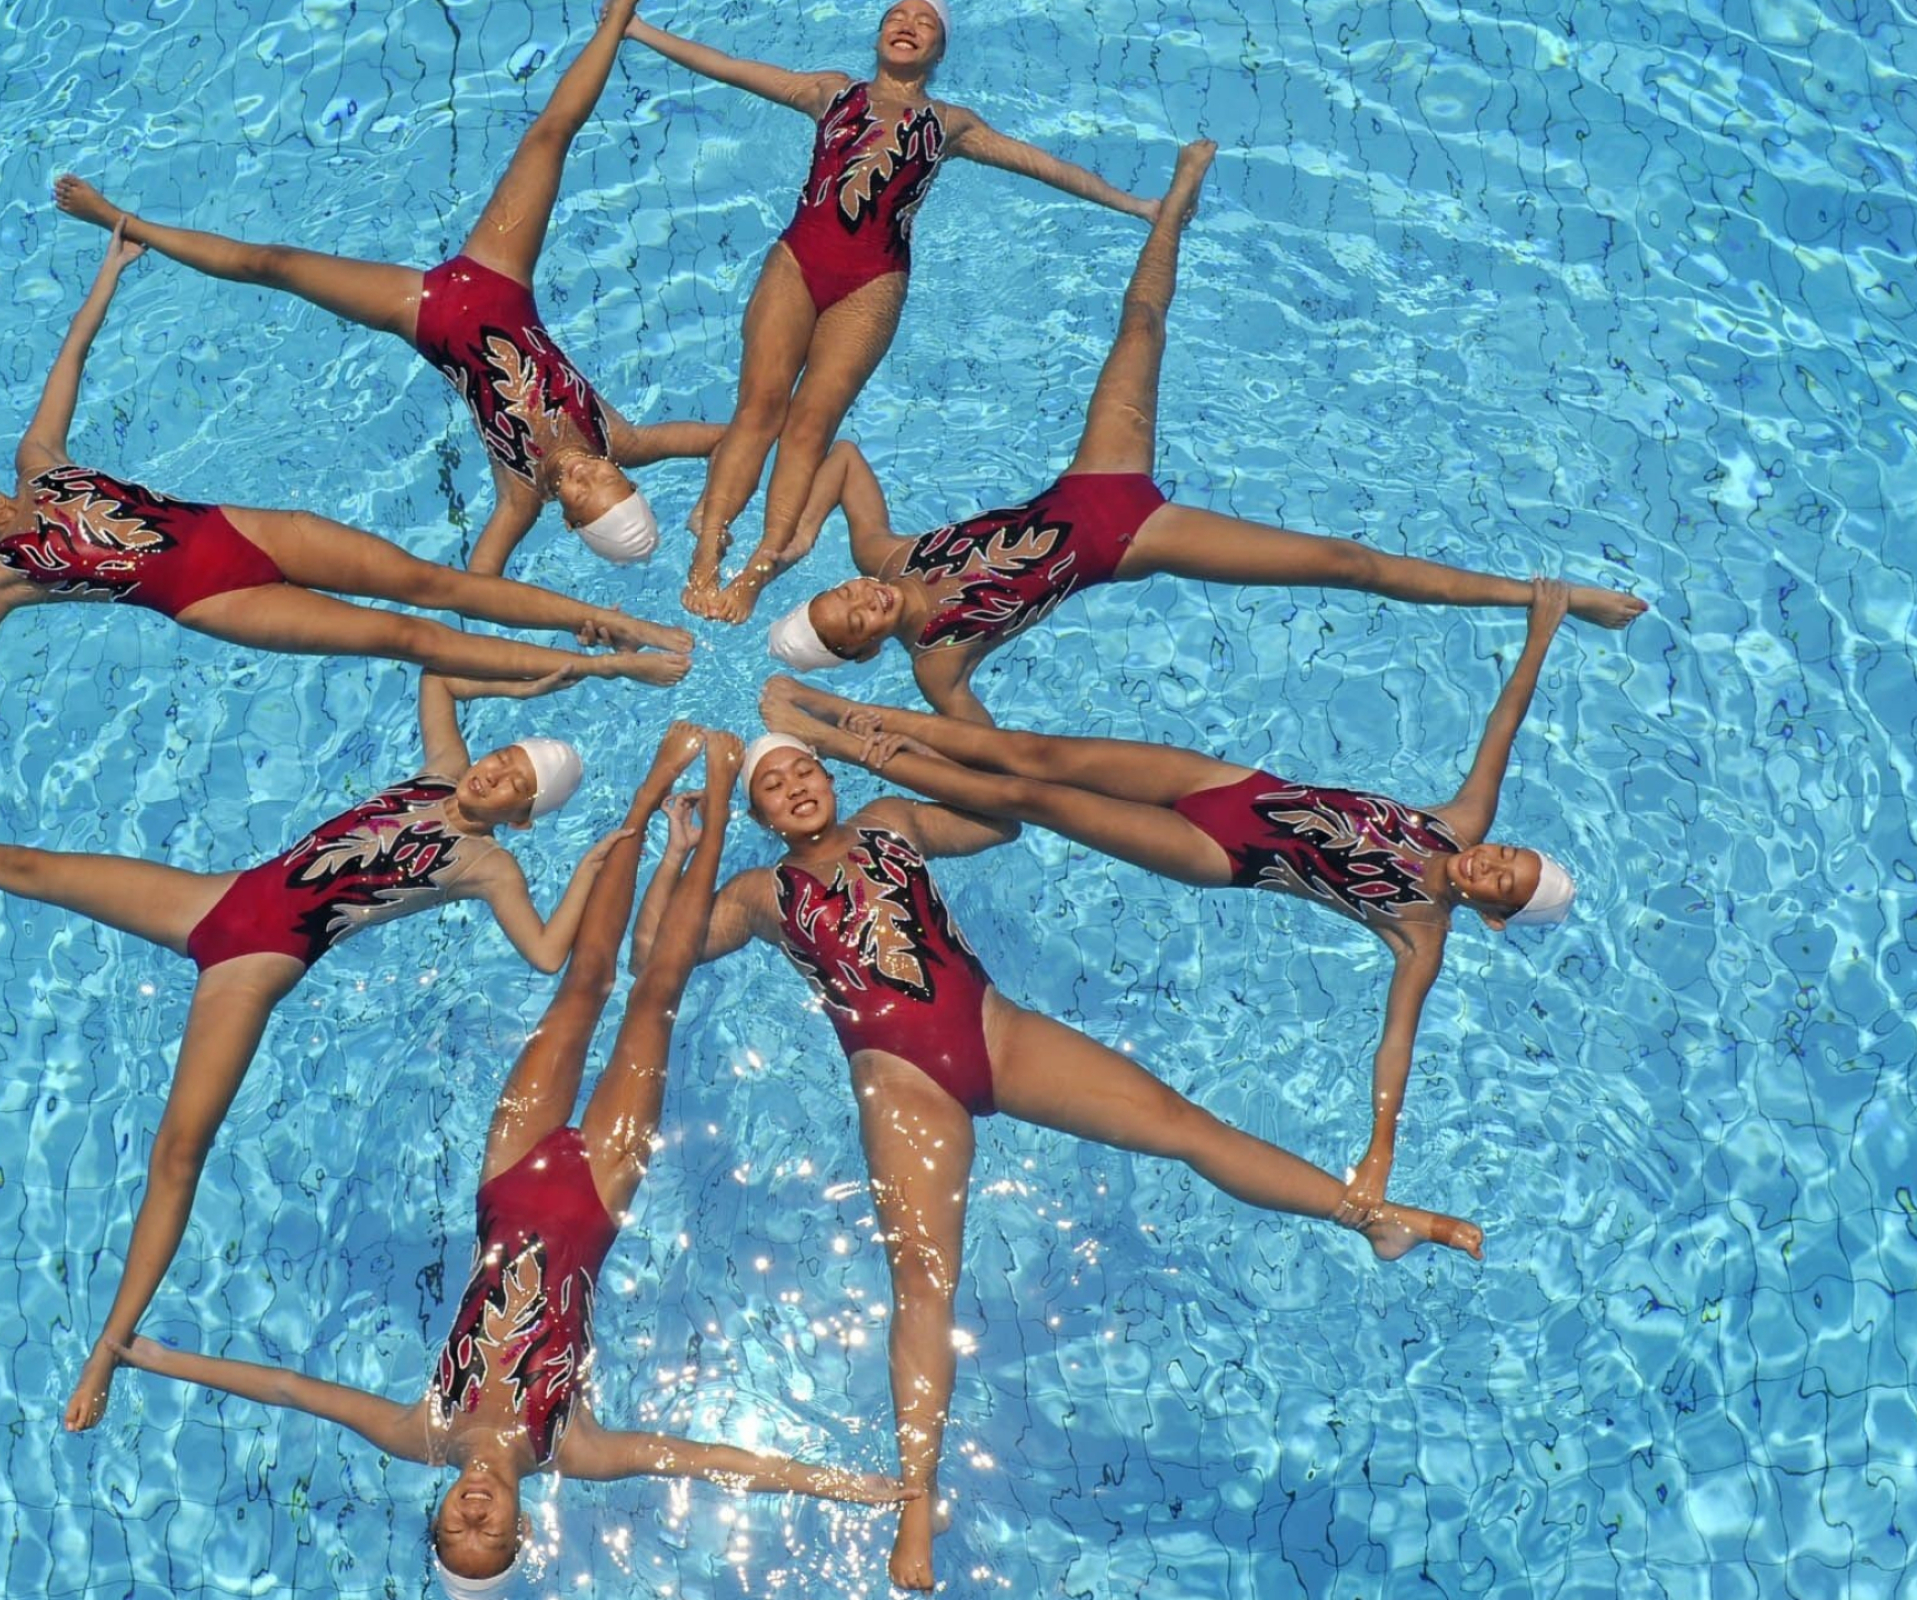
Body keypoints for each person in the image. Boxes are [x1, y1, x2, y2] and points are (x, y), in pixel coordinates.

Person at [641, 729, 1481, 1590]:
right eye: (773, 786)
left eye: (803, 768)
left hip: (997, 1032)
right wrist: (682, 851)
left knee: (1180, 1122)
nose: (795, 785)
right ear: (761, 816)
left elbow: (997, 825)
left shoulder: (891, 820)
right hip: (899, 1084)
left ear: (828, 774)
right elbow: (655, 960)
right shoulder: (755, 895)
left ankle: (1372, 1218)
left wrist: (906, 759)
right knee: (925, 1281)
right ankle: (915, 1506)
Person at [114, 723, 915, 1592]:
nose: (475, 1518)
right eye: (491, 1539)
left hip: (510, 1174)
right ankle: (715, 811)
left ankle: (647, 803)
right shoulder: (576, 1445)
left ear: (441, 1511)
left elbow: (287, 1389)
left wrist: (148, 1355)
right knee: (655, 998)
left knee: (583, 986)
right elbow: (703, 1460)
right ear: (521, 1531)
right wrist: (843, 1488)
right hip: (596, 1199)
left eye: (455, 1530)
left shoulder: (420, 1430)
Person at [0, 671, 636, 1434]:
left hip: (256, 966)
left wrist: (594, 867)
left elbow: (547, 954)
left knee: (177, 1152)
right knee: (25, 866)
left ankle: (108, 1348)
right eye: (504, 758)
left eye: (516, 784)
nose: (495, 773)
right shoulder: (442, 769)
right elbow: (438, 673)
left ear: (522, 816)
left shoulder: (489, 866)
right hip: (214, 899)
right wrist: (521, 689)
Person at [763, 575, 1578, 1221]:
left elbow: (1395, 1044)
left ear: (1495, 915)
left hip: (1221, 850)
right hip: (1231, 785)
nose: (1489, 864)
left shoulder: (1417, 929)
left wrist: (1379, 1152)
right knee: (1034, 754)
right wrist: (1539, 636)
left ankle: (839, 741)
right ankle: (838, 708)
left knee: (1038, 800)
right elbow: (1500, 730)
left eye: (1500, 883)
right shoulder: (1457, 822)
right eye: (1507, 854)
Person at [760, 140, 1646, 722]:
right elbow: (991, 760)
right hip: (1137, 539)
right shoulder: (937, 666)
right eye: (851, 625)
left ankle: (1173, 203)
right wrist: (857, 731)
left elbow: (840, 457)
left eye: (840, 596)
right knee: (1346, 565)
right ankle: (1543, 595)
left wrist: (788, 545)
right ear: (865, 649)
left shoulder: (886, 554)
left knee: (1141, 326)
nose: (861, 602)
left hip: (1091, 481)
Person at [0, 219, 691, 841]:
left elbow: (69, 361)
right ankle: (613, 663)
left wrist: (109, 270)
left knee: (434, 585)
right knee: (405, 637)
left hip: (248, 529)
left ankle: (626, 626)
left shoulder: (37, 460)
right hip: (210, 599)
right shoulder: (0, 579)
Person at [55, 0, 722, 576]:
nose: (583, 473)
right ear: (625, 476)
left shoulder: (521, 497)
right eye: (605, 480)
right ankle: (617, 22)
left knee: (273, 264)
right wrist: (714, 517)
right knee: (548, 137)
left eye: (580, 495)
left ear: (570, 524)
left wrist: (575, 628)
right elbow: (739, 434)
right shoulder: (621, 439)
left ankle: (123, 222)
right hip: (501, 280)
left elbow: (482, 580)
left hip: (425, 315)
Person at [624, 0, 1159, 622]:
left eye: (924, 22)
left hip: (872, 283)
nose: (907, 24)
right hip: (797, 261)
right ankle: (709, 549)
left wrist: (1136, 205)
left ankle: (760, 567)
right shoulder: (830, 92)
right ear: (878, 36)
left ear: (939, 51)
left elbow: (1046, 166)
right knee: (759, 407)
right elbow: (729, 66)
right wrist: (636, 28)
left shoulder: (951, 124)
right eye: (895, 16)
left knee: (809, 426)